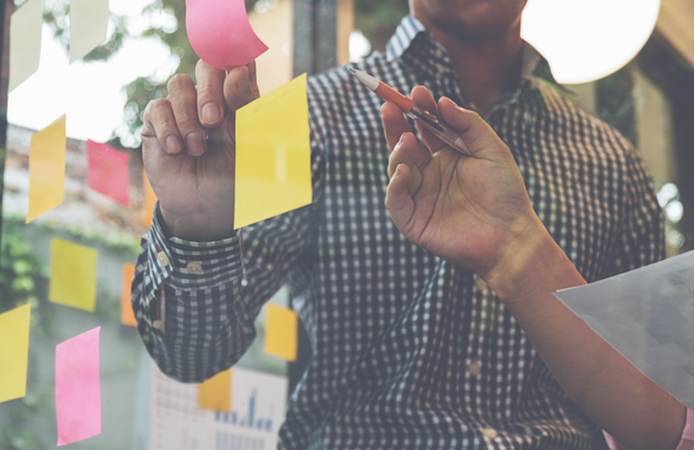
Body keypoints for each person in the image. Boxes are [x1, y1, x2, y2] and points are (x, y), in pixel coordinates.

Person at [132, 0, 666, 447]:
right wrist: (197, 229)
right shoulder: (304, 118)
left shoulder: (612, 163)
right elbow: (189, 353)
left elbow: (664, 405)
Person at [381, 90, 692, 450]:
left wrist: (515, 247)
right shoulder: (318, 114)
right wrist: (514, 246)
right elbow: (671, 427)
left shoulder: (612, 159)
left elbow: (668, 428)